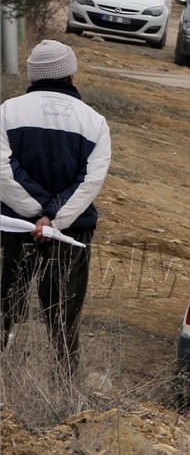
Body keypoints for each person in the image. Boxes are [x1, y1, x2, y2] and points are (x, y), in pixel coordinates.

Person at [0, 40, 111, 375]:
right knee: (64, 311)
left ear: (34, 75)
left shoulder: (7, 111)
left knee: (5, 302)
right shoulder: (94, 122)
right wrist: (54, 218)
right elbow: (90, 181)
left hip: (15, 226)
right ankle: (63, 385)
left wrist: (36, 215)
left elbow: (4, 170)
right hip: (71, 231)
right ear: (71, 75)